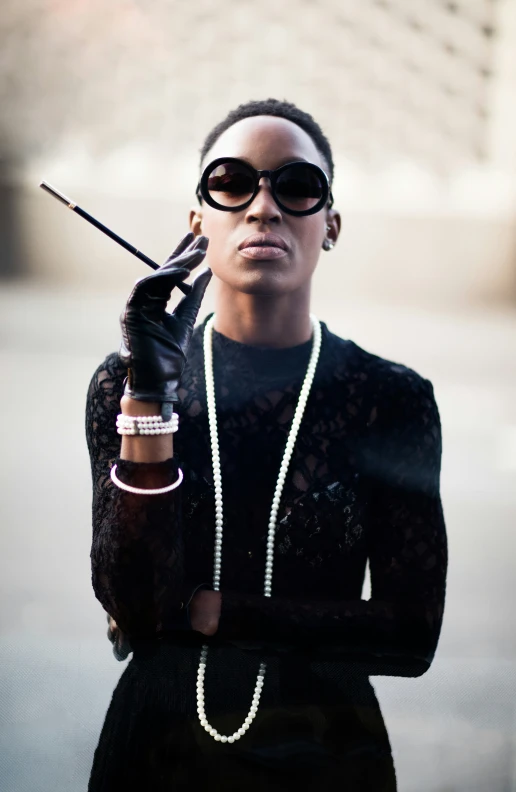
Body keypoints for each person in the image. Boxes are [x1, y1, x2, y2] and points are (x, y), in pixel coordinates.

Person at [85, 98, 448, 791]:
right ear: (198, 220)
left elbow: (411, 634)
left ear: (330, 224)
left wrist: (219, 612)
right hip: (154, 753)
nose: (263, 206)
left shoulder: (389, 398)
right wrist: (151, 397)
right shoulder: (124, 387)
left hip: (331, 756)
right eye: (231, 182)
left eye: (297, 186)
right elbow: (133, 606)